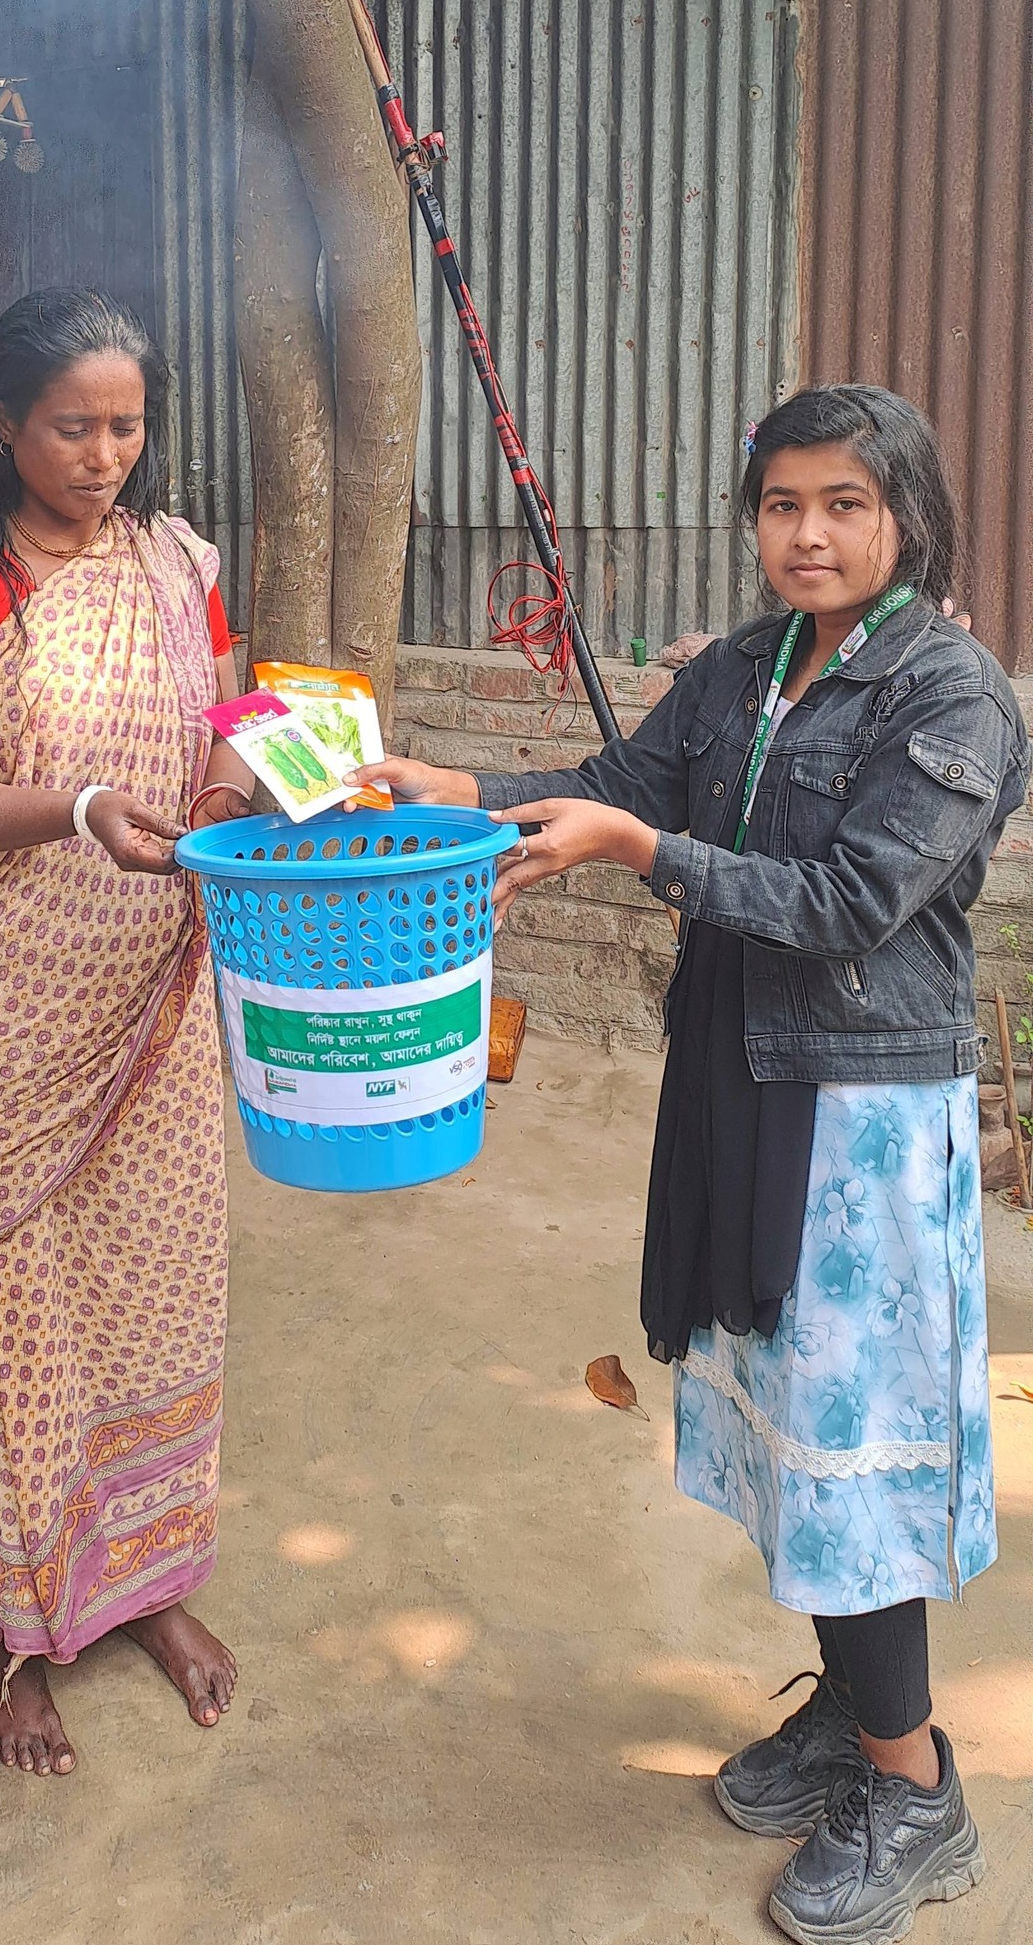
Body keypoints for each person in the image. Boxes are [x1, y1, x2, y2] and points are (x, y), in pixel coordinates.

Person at [356, 385, 1030, 1943]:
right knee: (787, 1431)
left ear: (906, 516)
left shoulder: (954, 694)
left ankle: (916, 1788)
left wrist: (638, 855)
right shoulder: (747, 667)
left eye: (843, 506)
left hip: (856, 1120)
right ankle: (857, 1720)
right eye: (782, 504)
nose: (806, 534)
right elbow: (636, 783)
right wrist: (458, 793)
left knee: (849, 1463)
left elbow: (850, 901)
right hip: (737, 1078)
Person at [0, 288, 255, 1776]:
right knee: (15, 1313)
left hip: (149, 999)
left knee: (153, 1299)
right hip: (1, 1009)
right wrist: (79, 811)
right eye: (72, 426)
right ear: (6, 423)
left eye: (128, 424)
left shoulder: (177, 560)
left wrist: (241, 786)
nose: (104, 454)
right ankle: (17, 1633)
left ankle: (145, 1585)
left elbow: (218, 724)